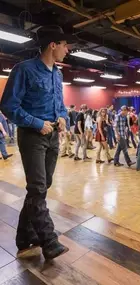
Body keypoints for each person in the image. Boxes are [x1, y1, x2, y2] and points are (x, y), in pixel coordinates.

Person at [0, 26, 74, 259]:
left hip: (52, 136)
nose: (67, 50)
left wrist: (63, 117)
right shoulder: (24, 70)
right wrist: (37, 123)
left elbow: (59, 104)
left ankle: (24, 237)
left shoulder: (58, 74)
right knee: (38, 188)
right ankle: (48, 240)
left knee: (40, 188)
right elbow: (9, 106)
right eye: (65, 45)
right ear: (53, 45)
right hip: (33, 136)